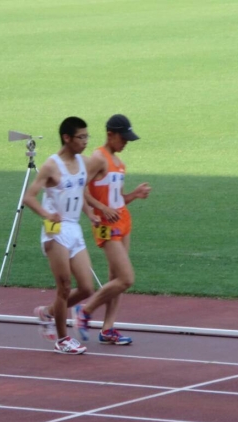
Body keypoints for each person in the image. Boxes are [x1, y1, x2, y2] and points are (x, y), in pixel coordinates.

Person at [23, 116, 100, 354]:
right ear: (67, 138)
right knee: (64, 286)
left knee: (87, 288)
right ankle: (63, 339)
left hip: (74, 229)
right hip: (55, 232)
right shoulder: (51, 166)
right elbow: (29, 197)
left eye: (87, 136)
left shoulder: (83, 163)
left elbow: (80, 191)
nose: (85, 141)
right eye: (81, 137)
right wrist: (47, 214)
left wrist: (90, 214)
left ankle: (47, 312)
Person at [75, 114, 151, 345]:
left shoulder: (118, 163)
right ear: (110, 134)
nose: (126, 142)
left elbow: (116, 200)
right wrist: (99, 209)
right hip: (105, 226)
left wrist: (134, 196)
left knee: (115, 279)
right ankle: (85, 310)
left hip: (122, 221)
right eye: (123, 138)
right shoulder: (98, 158)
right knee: (126, 279)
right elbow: (79, 187)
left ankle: (108, 329)